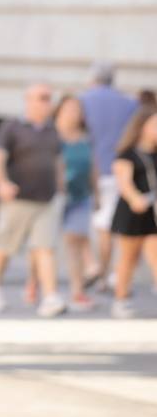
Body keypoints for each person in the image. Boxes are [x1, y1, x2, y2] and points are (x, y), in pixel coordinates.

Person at [0, 85, 66, 317]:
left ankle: (50, 297)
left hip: (46, 200)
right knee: (5, 247)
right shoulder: (12, 127)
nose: (47, 103)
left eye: (49, 98)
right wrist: (2, 184)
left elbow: (58, 162)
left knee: (45, 248)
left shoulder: (52, 130)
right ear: (28, 100)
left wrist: (61, 190)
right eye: (42, 98)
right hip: (18, 199)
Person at [79, 62, 138, 291]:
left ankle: (104, 274)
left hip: (94, 172)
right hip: (123, 170)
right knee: (120, 226)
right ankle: (114, 274)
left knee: (102, 228)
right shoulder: (128, 103)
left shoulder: (83, 101)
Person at [108, 105, 157, 319]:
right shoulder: (127, 153)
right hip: (132, 214)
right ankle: (121, 299)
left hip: (153, 214)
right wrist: (136, 198)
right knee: (128, 259)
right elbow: (124, 183)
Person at [55, 95, 98, 312]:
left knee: (76, 239)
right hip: (54, 197)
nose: (74, 113)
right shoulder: (52, 135)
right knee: (44, 245)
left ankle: (77, 292)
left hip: (81, 197)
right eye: (69, 108)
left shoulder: (85, 138)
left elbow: (93, 167)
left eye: (77, 109)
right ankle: (34, 283)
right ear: (60, 110)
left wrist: (97, 193)